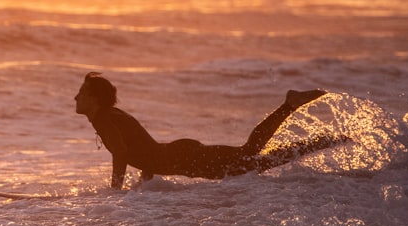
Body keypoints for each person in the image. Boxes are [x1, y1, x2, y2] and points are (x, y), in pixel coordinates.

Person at [74, 72, 336, 189]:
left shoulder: (104, 119)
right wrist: (145, 183)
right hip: (182, 155)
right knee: (254, 161)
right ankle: (320, 141)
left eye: (82, 93)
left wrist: (115, 192)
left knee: (251, 156)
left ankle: (292, 108)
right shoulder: (113, 116)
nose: (76, 97)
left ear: (95, 99)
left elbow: (121, 153)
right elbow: (143, 150)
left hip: (185, 158)